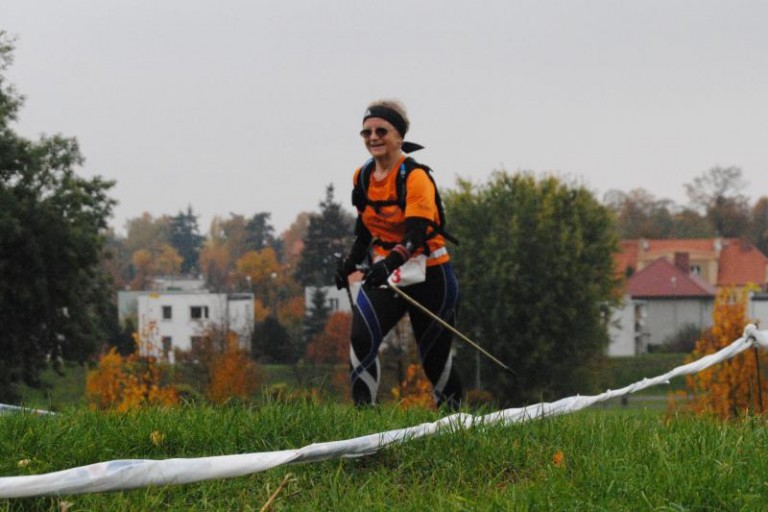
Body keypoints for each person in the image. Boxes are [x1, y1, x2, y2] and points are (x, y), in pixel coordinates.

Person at [335, 99, 463, 409]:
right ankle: (365, 420)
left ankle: (457, 422)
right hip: (387, 273)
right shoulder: (362, 176)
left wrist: (389, 262)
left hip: (430, 274)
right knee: (362, 339)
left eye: (381, 131)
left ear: (399, 136)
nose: (373, 137)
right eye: (366, 132)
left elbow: (416, 234)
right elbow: (364, 229)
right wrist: (350, 262)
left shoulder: (415, 177)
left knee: (434, 358)